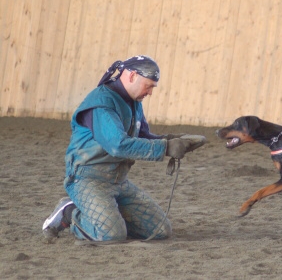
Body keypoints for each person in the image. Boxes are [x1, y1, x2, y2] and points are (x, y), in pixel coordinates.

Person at [42, 55, 206, 242]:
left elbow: (142, 136)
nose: (150, 92)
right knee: (110, 235)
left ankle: (108, 214)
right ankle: (70, 212)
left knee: (160, 230)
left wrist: (174, 141)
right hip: (87, 180)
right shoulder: (101, 103)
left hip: (118, 181)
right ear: (132, 76)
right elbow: (118, 145)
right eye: (149, 85)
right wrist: (167, 147)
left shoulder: (134, 103)